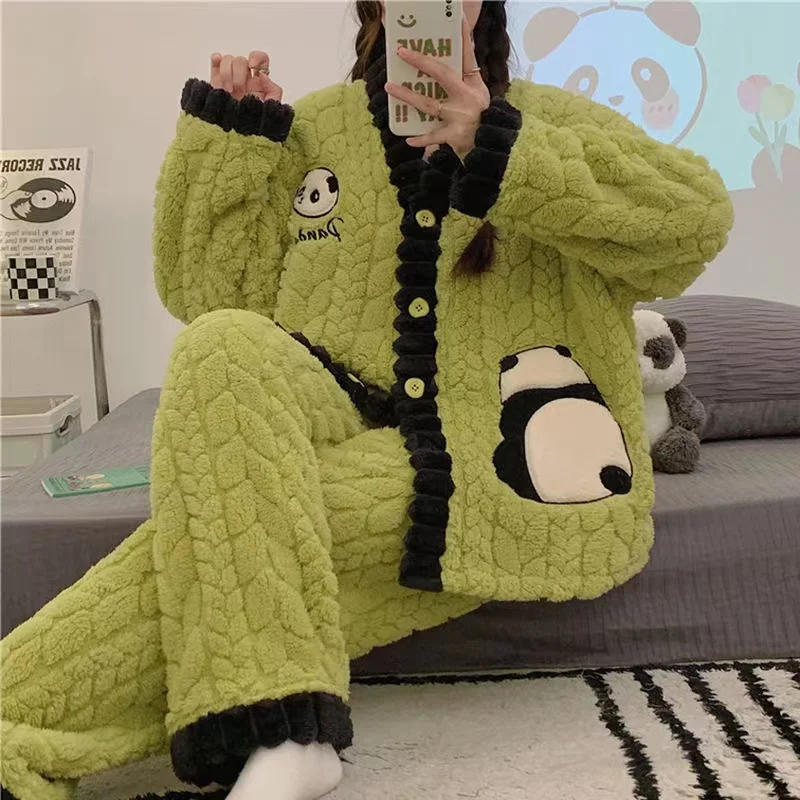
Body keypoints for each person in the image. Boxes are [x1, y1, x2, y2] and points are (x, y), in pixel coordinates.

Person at [0, 2, 734, 799]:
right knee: (218, 343)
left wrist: (499, 146)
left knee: (234, 532)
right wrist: (230, 143)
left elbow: (693, 223)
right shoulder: (313, 128)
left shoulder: (552, 121)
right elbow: (211, 296)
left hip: (484, 450)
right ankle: (285, 731)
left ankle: (34, 731)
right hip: (325, 412)